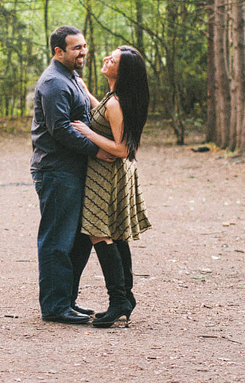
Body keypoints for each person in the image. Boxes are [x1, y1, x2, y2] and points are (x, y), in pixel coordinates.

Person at [31, 25, 112, 324]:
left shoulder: (72, 77)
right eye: (76, 47)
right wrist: (98, 150)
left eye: (84, 45)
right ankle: (54, 307)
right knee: (56, 240)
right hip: (56, 171)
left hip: (74, 171)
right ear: (58, 51)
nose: (83, 51)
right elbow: (61, 128)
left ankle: (66, 300)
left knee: (76, 241)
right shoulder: (53, 82)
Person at [72, 45, 151, 328]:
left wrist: (86, 132)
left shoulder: (117, 103)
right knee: (116, 234)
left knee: (98, 232)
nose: (107, 59)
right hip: (115, 174)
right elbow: (104, 113)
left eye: (113, 59)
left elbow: (121, 148)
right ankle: (125, 298)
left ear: (123, 70)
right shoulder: (114, 98)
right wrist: (87, 93)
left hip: (108, 173)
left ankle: (118, 301)